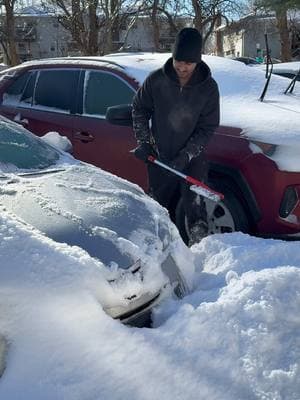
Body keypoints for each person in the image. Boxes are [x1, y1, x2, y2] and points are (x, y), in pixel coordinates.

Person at [132, 27, 220, 245]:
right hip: (160, 157)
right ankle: (164, 252)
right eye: (178, 61)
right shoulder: (156, 80)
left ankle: (200, 254)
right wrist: (144, 142)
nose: (182, 67)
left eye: (188, 63)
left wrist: (187, 155)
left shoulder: (208, 88)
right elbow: (139, 109)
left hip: (192, 161)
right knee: (158, 212)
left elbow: (207, 127)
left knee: (196, 213)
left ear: (197, 61)